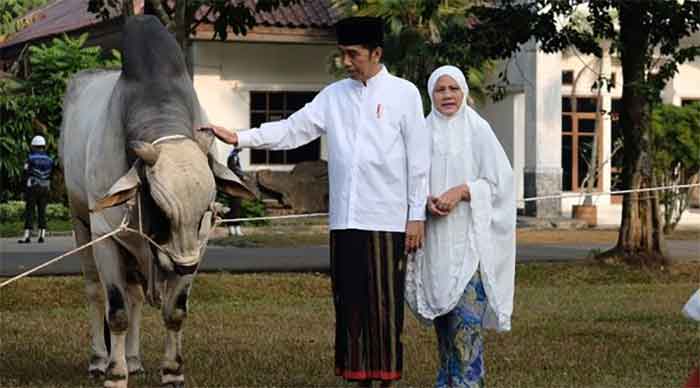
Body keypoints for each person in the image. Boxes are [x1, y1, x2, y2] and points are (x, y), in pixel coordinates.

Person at [199, 16, 430, 387]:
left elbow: (419, 159)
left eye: (353, 54)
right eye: (342, 54)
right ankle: (359, 377)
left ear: (376, 53)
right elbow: (292, 129)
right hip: (345, 219)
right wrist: (239, 136)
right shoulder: (333, 96)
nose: (346, 62)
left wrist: (415, 215)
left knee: (384, 303)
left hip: (388, 218)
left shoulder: (404, 94)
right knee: (349, 301)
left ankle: (386, 377)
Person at [404, 65, 516, 388]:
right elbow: (409, 181)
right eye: (441, 90)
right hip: (434, 250)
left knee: (467, 333)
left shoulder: (478, 130)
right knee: (446, 339)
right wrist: (423, 202)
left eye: (454, 88)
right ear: (431, 94)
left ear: (464, 91)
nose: (448, 95)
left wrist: (463, 191)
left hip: (471, 249)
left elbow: (500, 183)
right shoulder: (421, 133)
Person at [18, 135, 55, 244]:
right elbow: (51, 175)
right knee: (42, 211)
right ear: (43, 146)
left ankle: (27, 236)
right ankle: (42, 235)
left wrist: (23, 187)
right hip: (45, 188)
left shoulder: (30, 158)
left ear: (33, 146)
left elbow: (25, 173)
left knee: (30, 211)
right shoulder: (49, 160)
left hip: (32, 187)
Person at [226, 147, 245, 236]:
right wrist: (242, 175)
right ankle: (233, 228)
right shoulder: (232, 157)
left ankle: (235, 228)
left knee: (236, 206)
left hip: (236, 183)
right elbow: (233, 169)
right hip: (234, 184)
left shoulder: (235, 157)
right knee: (235, 206)